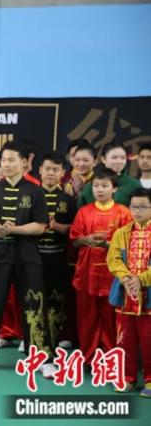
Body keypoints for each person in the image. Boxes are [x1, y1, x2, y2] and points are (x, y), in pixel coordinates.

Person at [0, 141, 56, 378]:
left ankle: (42, 358)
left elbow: (40, 226)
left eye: (11, 160)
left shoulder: (35, 191)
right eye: (4, 160)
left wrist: (14, 229)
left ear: (24, 162)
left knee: (34, 305)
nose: (6, 164)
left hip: (27, 255)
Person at [70, 166, 133, 363]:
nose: (100, 190)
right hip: (87, 273)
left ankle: (112, 358)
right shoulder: (84, 212)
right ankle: (89, 357)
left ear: (114, 189)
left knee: (113, 319)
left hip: (114, 275)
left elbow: (130, 244)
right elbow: (75, 240)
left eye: (105, 186)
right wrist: (86, 239)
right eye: (96, 185)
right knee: (87, 318)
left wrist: (107, 244)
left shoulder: (124, 213)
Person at [107, 187, 151, 397]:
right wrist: (126, 278)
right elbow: (113, 260)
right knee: (125, 340)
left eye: (143, 207)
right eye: (134, 206)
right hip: (125, 296)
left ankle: (150, 381)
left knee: (149, 341)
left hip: (148, 297)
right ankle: (127, 378)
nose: (137, 211)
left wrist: (141, 279)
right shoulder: (121, 233)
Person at [36, 152, 77, 349]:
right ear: (40, 170)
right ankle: (31, 336)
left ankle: (57, 335)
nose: (51, 173)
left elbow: (74, 229)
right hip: (34, 256)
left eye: (55, 170)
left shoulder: (68, 200)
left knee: (57, 297)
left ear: (62, 173)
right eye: (47, 169)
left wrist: (55, 226)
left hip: (57, 256)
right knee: (33, 297)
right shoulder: (31, 195)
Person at [79, 142, 140, 207]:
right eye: (114, 158)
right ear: (103, 159)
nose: (119, 161)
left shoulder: (134, 185)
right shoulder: (91, 186)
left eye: (123, 158)